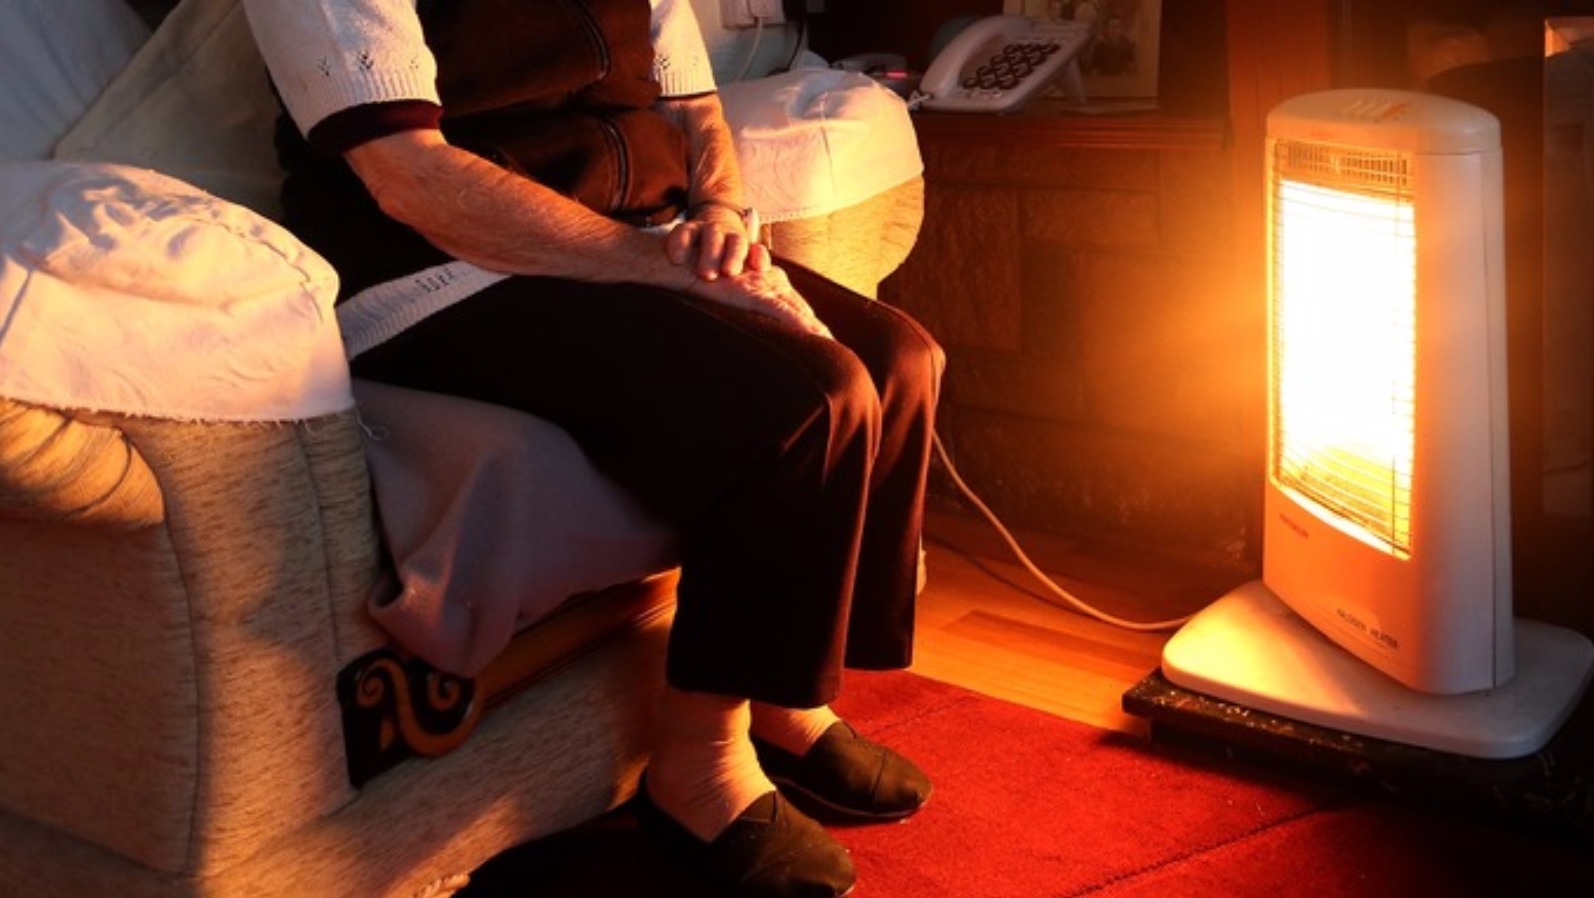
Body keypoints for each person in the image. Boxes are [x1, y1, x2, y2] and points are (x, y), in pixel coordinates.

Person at [240, 1, 945, 896]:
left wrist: (720, 216)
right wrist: (659, 266)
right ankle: (698, 769)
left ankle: (786, 700)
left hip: (631, 240)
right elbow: (408, 176)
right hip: (446, 274)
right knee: (810, 400)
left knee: (898, 359)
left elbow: (693, 108)